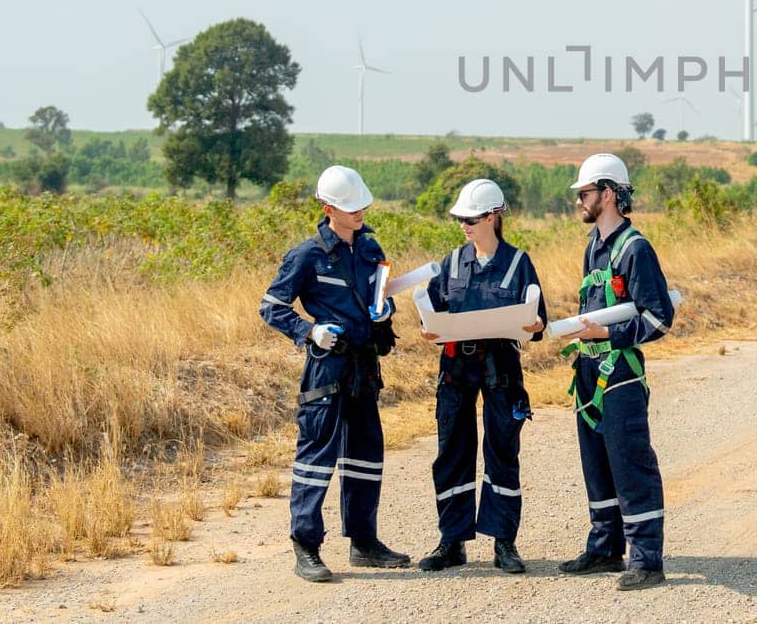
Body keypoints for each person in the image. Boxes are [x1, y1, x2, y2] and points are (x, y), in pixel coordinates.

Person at [259, 165, 411, 582]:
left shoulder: (370, 248)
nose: (359, 211)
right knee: (316, 459)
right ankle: (306, 547)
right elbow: (271, 307)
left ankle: (364, 543)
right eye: (350, 206)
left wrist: (386, 312)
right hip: (327, 369)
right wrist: (309, 331)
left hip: (365, 368)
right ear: (328, 207)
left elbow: (382, 296)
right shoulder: (306, 254)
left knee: (366, 457)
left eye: (362, 203)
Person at [417, 178, 549, 574]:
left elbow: (541, 321)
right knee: (452, 453)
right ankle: (451, 542)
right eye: (460, 218)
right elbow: (433, 311)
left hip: (502, 372)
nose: (464, 225)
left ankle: (504, 543)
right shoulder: (452, 262)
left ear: (493, 216)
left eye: (471, 217)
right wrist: (429, 328)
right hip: (456, 370)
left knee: (502, 453)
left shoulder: (519, 262)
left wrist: (536, 324)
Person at [558, 153, 674, 591]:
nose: (578, 202)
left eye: (584, 194)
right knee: (598, 464)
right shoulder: (593, 246)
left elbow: (660, 318)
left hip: (620, 373)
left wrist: (610, 332)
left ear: (607, 194)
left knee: (631, 465)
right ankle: (606, 547)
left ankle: (646, 559)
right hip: (587, 371)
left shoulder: (636, 249)